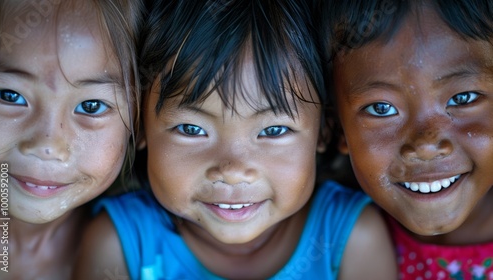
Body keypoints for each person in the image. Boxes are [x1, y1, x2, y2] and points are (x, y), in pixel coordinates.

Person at [74, 1, 397, 279]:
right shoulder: (119, 242)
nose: (231, 169)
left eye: (273, 131)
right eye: (191, 129)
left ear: (324, 132)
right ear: (141, 127)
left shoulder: (351, 236)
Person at [328, 0, 493, 278]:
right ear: (338, 128)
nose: (426, 146)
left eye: (463, 98)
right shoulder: (332, 238)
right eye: (381, 108)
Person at [0, 0, 143, 278]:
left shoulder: (143, 252)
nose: (47, 145)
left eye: (91, 107)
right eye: (9, 96)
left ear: (139, 121)